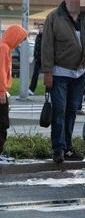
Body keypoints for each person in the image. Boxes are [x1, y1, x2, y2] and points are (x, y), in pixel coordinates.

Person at [41, 0, 85, 163]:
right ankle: (58, 149)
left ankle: (68, 147)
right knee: (59, 111)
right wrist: (47, 72)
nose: (77, 3)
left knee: (72, 110)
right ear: (66, 0)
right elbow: (47, 46)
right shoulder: (54, 18)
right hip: (59, 72)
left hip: (79, 73)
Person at [0, 26, 28, 162]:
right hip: (0, 93)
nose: (20, 43)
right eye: (21, 39)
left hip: (2, 91)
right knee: (2, 124)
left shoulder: (5, 47)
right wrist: (1, 92)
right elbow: (0, 73)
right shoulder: (3, 48)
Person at [28, 23, 44, 95]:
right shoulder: (38, 36)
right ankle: (31, 89)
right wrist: (34, 56)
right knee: (35, 75)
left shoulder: (46, 36)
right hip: (38, 59)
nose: (40, 29)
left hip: (44, 59)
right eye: (39, 28)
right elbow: (36, 48)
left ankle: (48, 91)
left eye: (42, 27)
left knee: (48, 75)